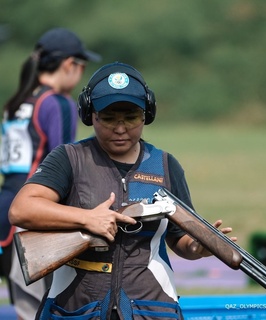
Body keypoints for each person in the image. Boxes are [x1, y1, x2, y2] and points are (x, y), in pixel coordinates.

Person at [9, 62, 236, 320]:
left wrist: (197, 247)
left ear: (146, 115)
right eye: (108, 118)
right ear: (90, 115)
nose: (120, 128)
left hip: (150, 308)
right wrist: (87, 218)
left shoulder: (165, 165)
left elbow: (178, 238)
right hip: (76, 307)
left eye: (131, 117)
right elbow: (21, 209)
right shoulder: (68, 158)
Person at [0, 27, 101, 319]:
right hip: (35, 218)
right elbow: (65, 166)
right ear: (70, 64)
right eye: (81, 66)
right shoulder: (58, 103)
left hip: (7, 211)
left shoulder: (17, 102)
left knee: (25, 311)